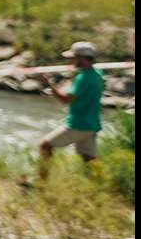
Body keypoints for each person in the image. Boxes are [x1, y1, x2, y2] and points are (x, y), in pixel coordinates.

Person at [40, 40, 110, 172]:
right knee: (89, 159)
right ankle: (101, 185)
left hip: (78, 125)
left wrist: (48, 84)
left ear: (81, 58)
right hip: (92, 124)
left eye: (73, 58)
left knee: (45, 146)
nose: (70, 61)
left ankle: (41, 184)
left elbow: (65, 100)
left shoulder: (82, 78)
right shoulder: (98, 74)